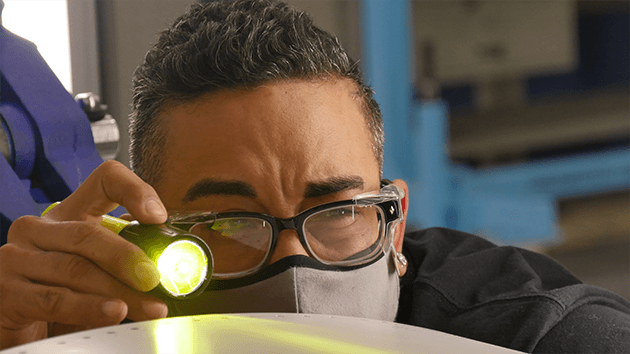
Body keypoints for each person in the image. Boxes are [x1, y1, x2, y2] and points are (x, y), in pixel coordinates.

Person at [1, 0, 628, 352]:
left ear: (395, 222)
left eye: (339, 211)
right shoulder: (101, 329)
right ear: (146, 237)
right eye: (228, 223)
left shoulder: (542, 335)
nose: (298, 268)